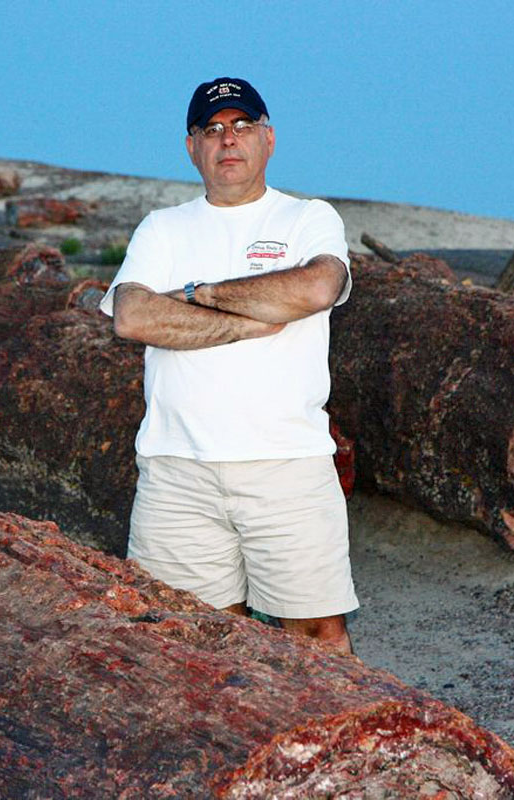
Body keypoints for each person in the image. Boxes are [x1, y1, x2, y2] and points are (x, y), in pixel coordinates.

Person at [99, 77, 357, 654]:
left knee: (318, 635)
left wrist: (198, 293)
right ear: (192, 147)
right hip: (177, 471)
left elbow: (317, 287)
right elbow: (133, 317)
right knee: (190, 641)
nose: (228, 139)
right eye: (212, 129)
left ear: (269, 138)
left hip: (287, 465)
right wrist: (249, 320)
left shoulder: (308, 218)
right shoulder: (163, 227)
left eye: (242, 126)